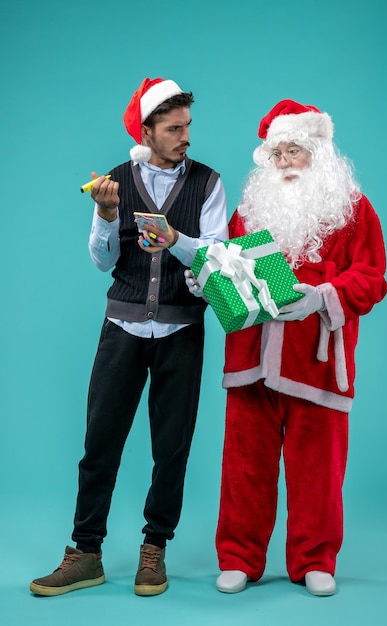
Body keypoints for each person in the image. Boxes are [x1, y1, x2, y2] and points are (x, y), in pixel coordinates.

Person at [30, 77, 228, 598]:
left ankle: (154, 549)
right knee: (100, 443)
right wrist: (105, 214)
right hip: (122, 326)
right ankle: (85, 552)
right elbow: (103, 263)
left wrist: (176, 240)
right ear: (147, 131)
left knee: (172, 448)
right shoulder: (115, 181)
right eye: (174, 128)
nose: (186, 136)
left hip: (182, 331)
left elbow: (219, 259)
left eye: (188, 126)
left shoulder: (209, 183)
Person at [187, 99, 387, 596]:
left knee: (317, 471)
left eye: (293, 151)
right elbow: (232, 267)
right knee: (243, 468)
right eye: (276, 154)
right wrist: (208, 280)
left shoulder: (353, 209)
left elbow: (372, 277)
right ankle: (239, 557)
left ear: (318, 153)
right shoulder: (250, 210)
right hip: (251, 360)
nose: (283, 163)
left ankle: (314, 560)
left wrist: (325, 296)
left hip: (316, 363)